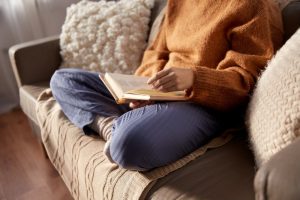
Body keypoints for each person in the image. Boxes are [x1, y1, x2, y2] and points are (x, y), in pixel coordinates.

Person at [50, 0, 283, 171]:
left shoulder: (253, 5)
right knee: (64, 80)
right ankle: (111, 125)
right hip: (159, 91)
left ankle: (120, 128)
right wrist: (145, 90)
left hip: (202, 103)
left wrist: (193, 78)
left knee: (127, 146)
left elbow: (245, 81)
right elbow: (155, 52)